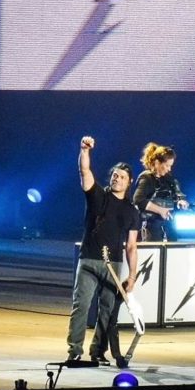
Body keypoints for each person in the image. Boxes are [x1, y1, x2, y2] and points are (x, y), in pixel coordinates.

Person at [66, 136, 139, 367]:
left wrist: (132, 276)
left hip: (114, 265)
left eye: (122, 177)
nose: (117, 179)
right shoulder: (97, 195)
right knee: (81, 306)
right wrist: (84, 150)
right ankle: (74, 350)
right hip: (89, 259)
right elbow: (84, 171)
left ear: (130, 182)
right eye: (115, 175)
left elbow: (132, 246)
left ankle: (98, 351)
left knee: (108, 312)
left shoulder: (132, 211)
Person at [133, 142, 189, 242]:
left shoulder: (169, 179)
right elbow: (138, 200)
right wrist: (160, 210)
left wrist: (180, 201)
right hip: (150, 228)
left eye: (171, 166)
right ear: (157, 162)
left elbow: (177, 193)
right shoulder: (146, 178)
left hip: (168, 227)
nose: (169, 169)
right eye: (167, 165)